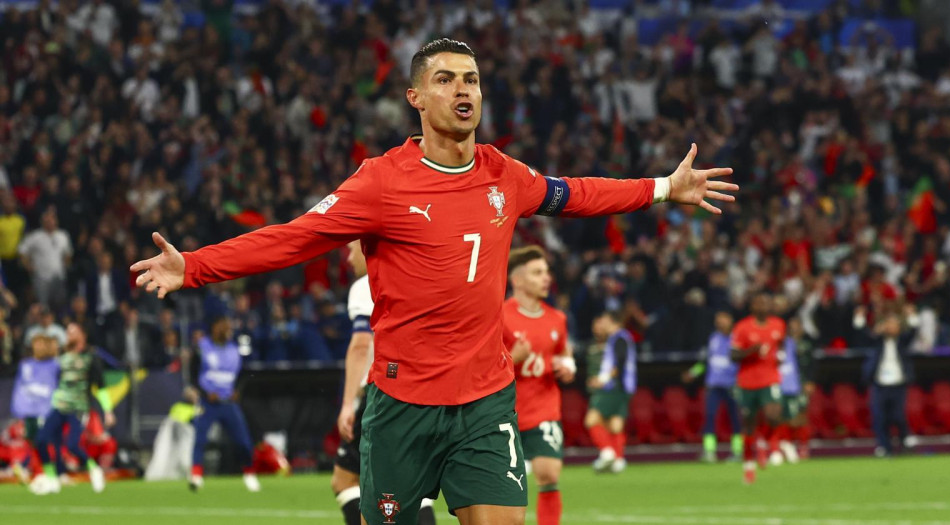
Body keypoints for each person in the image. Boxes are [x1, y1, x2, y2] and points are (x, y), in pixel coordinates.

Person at [130, 38, 734, 525]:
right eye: (445, 79)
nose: (462, 89)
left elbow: (576, 193)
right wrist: (194, 266)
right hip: (402, 406)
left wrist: (663, 187)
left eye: (471, 79)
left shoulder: (503, 174)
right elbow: (294, 238)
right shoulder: (381, 181)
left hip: (485, 401)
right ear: (416, 97)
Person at [333, 240, 435, 525]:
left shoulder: (367, 284)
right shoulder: (416, 278)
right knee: (413, 478)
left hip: (382, 392)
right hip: (424, 389)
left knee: (346, 480)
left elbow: (361, 345)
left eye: (352, 249)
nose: (349, 258)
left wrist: (348, 404)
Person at [502, 246, 574, 525]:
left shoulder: (557, 318)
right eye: (537, 272)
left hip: (544, 407)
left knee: (549, 473)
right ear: (517, 280)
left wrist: (567, 367)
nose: (546, 278)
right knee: (502, 485)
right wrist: (513, 358)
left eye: (546, 272)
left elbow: (564, 353)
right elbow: (481, 366)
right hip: (504, 410)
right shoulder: (499, 316)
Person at [29, 322, 115, 495]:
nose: (68, 335)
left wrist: (107, 410)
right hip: (59, 405)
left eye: (73, 332)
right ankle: (52, 478)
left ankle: (94, 469)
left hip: (78, 408)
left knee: (72, 445)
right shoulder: (61, 356)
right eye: (68, 332)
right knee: (41, 440)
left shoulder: (91, 357)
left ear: (83, 335)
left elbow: (100, 386)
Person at [186, 316, 260, 493]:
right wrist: (204, 393)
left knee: (243, 441)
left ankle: (249, 474)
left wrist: (237, 391)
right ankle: (196, 475)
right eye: (223, 326)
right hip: (208, 402)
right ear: (214, 327)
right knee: (200, 438)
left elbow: (243, 373)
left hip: (227, 402)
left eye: (228, 327)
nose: (227, 330)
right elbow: (193, 373)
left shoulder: (234, 350)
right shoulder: (202, 347)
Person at [730, 292, 786, 484]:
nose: (762, 306)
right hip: (747, 381)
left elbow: (781, 344)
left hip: (770, 378)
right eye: (758, 303)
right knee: (748, 424)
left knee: (774, 416)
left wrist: (781, 357)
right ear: (752, 306)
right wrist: (750, 352)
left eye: (765, 303)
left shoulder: (778, 324)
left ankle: (764, 441)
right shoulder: (742, 327)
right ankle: (749, 467)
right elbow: (733, 355)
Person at [858, 305, 919, 457]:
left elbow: (913, 332)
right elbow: (862, 335)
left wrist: (911, 315)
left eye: (894, 325)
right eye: (889, 325)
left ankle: (904, 440)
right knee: (879, 417)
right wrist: (860, 318)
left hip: (898, 384)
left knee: (898, 415)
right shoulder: (877, 342)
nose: (891, 328)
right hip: (880, 384)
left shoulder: (902, 342)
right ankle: (884, 446)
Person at [682, 311, 742, 463]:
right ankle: (709, 452)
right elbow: (705, 361)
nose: (719, 323)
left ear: (730, 320)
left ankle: (738, 451)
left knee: (735, 419)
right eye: (717, 321)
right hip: (714, 385)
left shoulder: (738, 338)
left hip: (732, 384)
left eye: (722, 320)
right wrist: (693, 372)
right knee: (709, 416)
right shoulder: (713, 338)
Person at [585, 310, 636, 474]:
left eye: (604, 320)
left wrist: (602, 379)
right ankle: (619, 459)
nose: (602, 323)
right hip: (623, 387)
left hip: (614, 387)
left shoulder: (619, 338)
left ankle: (607, 452)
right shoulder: (621, 337)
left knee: (592, 419)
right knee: (615, 423)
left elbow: (619, 364)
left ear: (613, 321)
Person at [9, 335, 60, 484]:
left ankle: (28, 466)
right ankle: (32, 468)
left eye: (41, 344)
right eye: (36, 344)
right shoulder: (26, 365)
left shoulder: (54, 365)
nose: (38, 347)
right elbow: (21, 386)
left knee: (44, 440)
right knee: (34, 440)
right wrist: (19, 406)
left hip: (47, 409)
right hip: (31, 410)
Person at [770, 316, 815, 465]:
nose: (794, 329)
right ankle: (782, 446)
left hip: (796, 385)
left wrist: (809, 381)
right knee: (778, 417)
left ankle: (802, 446)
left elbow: (811, 364)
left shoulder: (804, 345)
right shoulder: (775, 344)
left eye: (796, 326)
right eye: (791, 327)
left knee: (798, 417)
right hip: (778, 385)